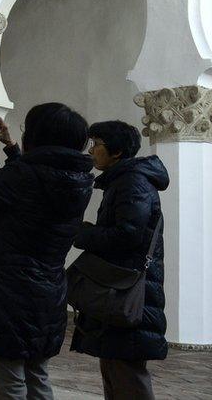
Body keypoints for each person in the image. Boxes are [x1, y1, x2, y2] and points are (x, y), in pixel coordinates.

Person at [0, 103, 95, 400]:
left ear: (36, 137)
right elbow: (35, 184)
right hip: (48, 294)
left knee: (10, 379)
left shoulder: (24, 179)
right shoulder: (79, 182)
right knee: (37, 375)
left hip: (7, 295)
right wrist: (12, 149)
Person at [71, 121, 168, 400]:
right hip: (120, 287)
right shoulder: (124, 181)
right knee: (116, 368)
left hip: (126, 290)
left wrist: (85, 234)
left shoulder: (132, 183)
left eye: (97, 144)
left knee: (127, 374)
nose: (91, 151)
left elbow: (128, 235)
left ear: (116, 151)